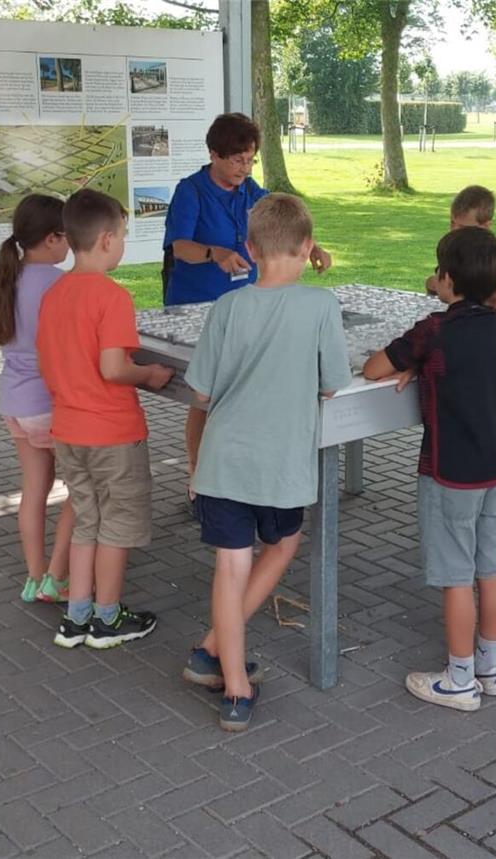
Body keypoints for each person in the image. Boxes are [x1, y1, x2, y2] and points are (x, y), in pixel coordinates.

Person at [182, 194, 350, 732]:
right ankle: (221, 665)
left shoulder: (226, 307)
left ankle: (226, 675)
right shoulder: (321, 306)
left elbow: (201, 392)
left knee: (228, 568)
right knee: (282, 546)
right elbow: (333, 383)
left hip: (223, 462)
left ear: (249, 249)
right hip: (282, 466)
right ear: (307, 248)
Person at [364, 227, 496, 712]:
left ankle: (460, 679)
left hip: (450, 470)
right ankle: (489, 668)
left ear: (447, 279)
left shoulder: (434, 329)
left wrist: (416, 363)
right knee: (489, 569)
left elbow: (374, 368)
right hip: (495, 466)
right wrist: (425, 368)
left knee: (456, 576)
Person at [161, 113, 334, 493]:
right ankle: (197, 475)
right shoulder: (190, 191)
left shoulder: (251, 190)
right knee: (205, 396)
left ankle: (241, 469)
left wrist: (312, 246)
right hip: (197, 304)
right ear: (214, 155)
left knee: (242, 388)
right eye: (237, 159)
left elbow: (283, 219)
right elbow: (180, 247)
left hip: (247, 304)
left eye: (250, 159)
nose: (244, 167)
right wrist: (215, 253)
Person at [36, 189, 175, 650]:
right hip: (113, 433)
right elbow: (114, 368)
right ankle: (108, 618)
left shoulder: (54, 294)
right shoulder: (113, 297)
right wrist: (150, 374)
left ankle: (76, 618)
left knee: (86, 521)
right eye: (124, 236)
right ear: (108, 240)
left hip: (68, 432)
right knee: (117, 524)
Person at [0, 194, 74, 604]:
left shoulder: (9, 278)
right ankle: (57, 576)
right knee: (84, 487)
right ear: (54, 238)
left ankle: (34, 576)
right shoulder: (59, 282)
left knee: (34, 490)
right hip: (50, 404)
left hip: (14, 404)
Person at [423, 185, 495, 296]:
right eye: (452, 223)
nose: (454, 231)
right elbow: (438, 282)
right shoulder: (451, 248)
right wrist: (432, 284)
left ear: (486, 226)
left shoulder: (493, 257)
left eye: (463, 228)